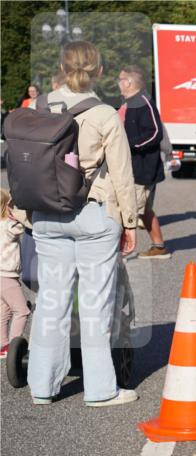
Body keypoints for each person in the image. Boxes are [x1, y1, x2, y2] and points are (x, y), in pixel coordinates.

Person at [28, 41, 138, 406]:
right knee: (95, 304)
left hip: (46, 213)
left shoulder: (38, 106)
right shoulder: (105, 113)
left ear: (60, 67)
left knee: (51, 300)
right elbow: (122, 174)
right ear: (99, 71)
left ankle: (42, 387)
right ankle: (101, 389)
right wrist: (131, 223)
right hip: (93, 213)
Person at [117, 65, 170, 260]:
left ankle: (123, 250)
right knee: (144, 211)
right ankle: (158, 246)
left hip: (143, 169)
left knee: (130, 210)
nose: (118, 83)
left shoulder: (144, 103)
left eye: (120, 80)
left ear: (129, 82)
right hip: (134, 167)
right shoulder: (130, 103)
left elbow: (156, 133)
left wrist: (129, 145)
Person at [0, 189, 30, 360]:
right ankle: (13, 348)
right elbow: (23, 224)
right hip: (7, 277)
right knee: (22, 311)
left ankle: (3, 346)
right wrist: (17, 211)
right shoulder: (8, 225)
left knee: (4, 311)